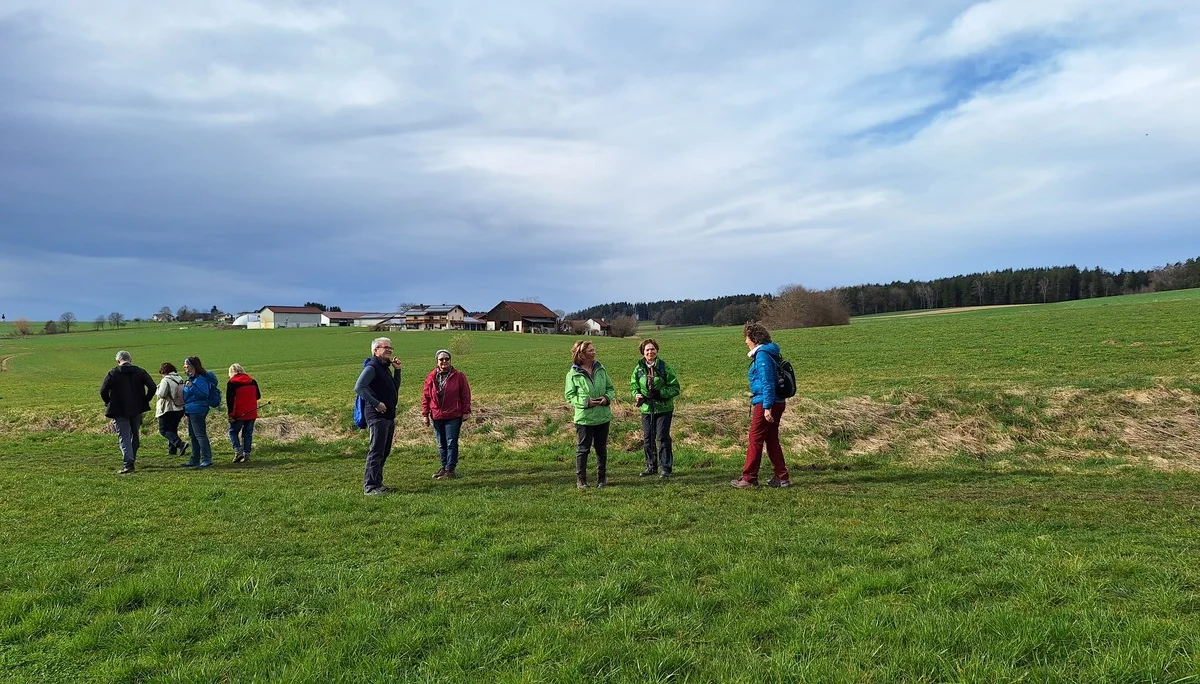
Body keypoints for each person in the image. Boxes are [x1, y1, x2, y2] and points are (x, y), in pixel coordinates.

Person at [733, 322, 791, 488]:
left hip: (767, 402)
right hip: (777, 401)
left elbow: (767, 383)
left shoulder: (762, 355)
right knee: (772, 439)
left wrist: (767, 407)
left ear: (754, 338)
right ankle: (782, 478)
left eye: (747, 337)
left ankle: (749, 477)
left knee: (755, 438)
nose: (745, 341)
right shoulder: (770, 352)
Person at [354, 337, 403, 495]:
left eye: (390, 347)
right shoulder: (372, 367)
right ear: (376, 351)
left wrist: (397, 370)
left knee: (384, 451)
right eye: (385, 347)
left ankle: (378, 484)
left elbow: (394, 387)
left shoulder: (384, 367)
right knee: (376, 451)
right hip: (377, 416)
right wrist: (376, 403)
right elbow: (359, 387)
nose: (389, 350)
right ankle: (370, 487)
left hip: (388, 415)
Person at [564, 340, 615, 489]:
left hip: (602, 416)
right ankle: (581, 480)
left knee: (601, 449)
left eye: (594, 350)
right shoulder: (573, 374)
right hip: (584, 419)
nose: (594, 352)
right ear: (581, 354)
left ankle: (602, 479)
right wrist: (586, 402)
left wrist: (606, 398)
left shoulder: (601, 369)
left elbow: (610, 388)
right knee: (583, 450)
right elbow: (570, 396)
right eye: (590, 351)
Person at [630, 338, 681, 479]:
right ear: (643, 352)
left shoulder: (664, 367)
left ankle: (666, 468)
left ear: (657, 351)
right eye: (647, 350)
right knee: (648, 438)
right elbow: (634, 385)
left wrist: (660, 393)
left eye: (652, 349)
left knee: (662, 437)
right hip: (646, 408)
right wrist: (636, 394)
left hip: (663, 408)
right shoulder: (638, 369)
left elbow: (675, 388)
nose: (650, 352)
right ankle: (650, 466)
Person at [99, 350, 156, 475]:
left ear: (118, 361)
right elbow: (152, 387)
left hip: (119, 409)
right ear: (130, 359)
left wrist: (109, 402)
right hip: (136, 408)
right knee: (134, 435)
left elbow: (103, 390)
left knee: (124, 436)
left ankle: (128, 463)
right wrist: (145, 400)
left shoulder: (113, 373)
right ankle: (132, 458)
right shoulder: (140, 371)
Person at [421, 349, 471, 480]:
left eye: (447, 359)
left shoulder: (459, 376)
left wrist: (466, 411)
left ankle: (450, 469)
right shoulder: (431, 377)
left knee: (451, 442)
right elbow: (426, 397)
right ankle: (443, 467)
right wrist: (425, 414)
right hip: (437, 415)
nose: (444, 361)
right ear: (437, 361)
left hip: (453, 414)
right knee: (441, 443)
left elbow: (465, 395)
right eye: (441, 359)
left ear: (450, 360)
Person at [181, 356, 218, 468]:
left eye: (186, 364)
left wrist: (191, 387)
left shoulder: (200, 379)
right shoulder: (192, 379)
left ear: (193, 366)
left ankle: (207, 459)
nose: (184, 367)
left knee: (200, 435)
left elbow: (203, 394)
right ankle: (195, 459)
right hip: (191, 409)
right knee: (193, 435)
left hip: (198, 409)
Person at [226, 363, 261, 463]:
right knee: (247, 434)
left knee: (233, 432)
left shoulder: (232, 383)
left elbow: (230, 401)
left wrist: (231, 415)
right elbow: (258, 396)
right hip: (251, 412)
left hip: (238, 413)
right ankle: (247, 455)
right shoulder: (252, 381)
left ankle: (238, 450)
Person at [154, 362, 188, 458]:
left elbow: (162, 394)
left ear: (163, 372)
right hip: (179, 407)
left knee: (163, 430)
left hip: (168, 408)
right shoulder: (179, 378)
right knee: (172, 429)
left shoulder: (166, 380)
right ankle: (172, 450)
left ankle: (180, 444)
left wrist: (157, 390)